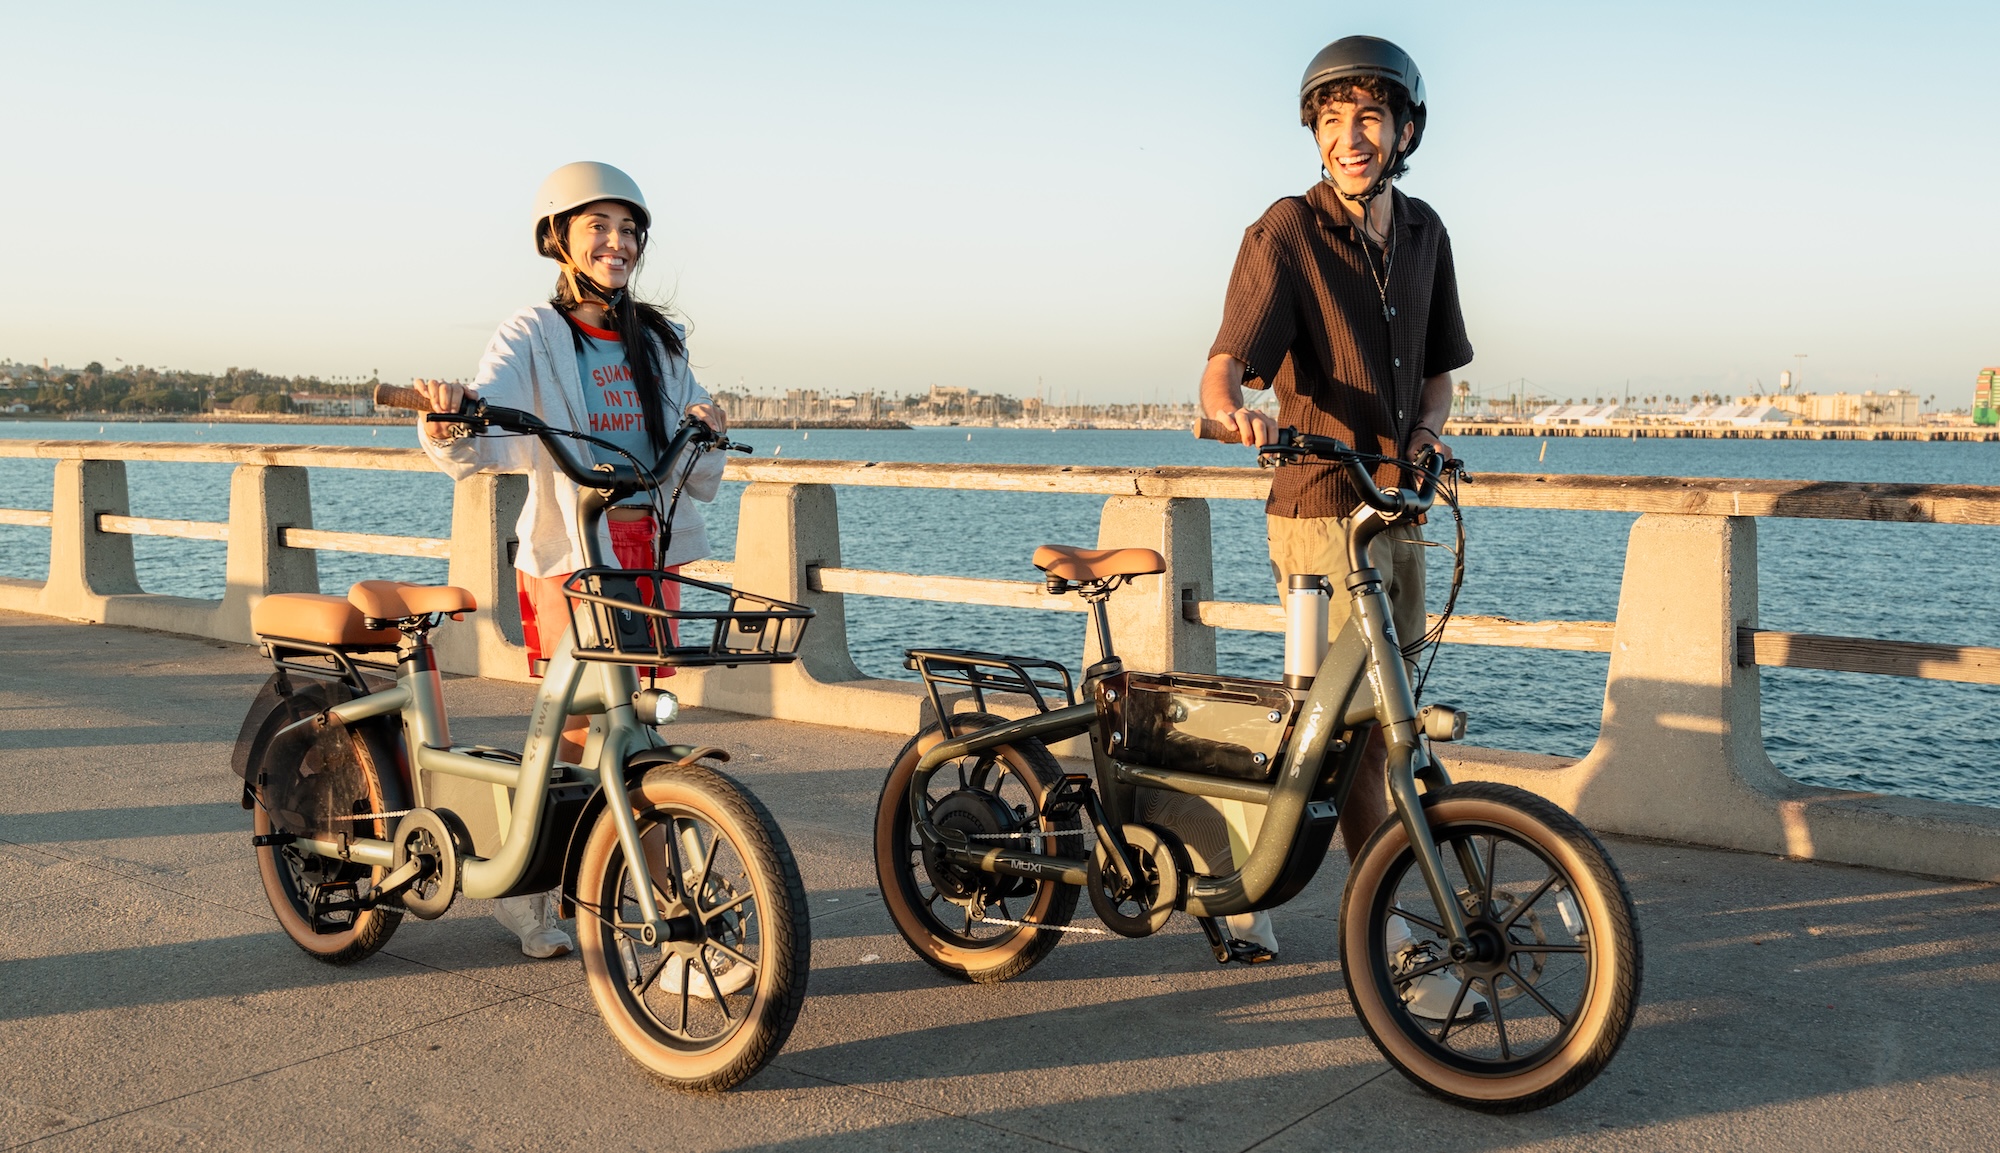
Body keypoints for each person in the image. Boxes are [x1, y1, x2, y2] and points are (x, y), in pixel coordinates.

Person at [1198, 37, 1477, 1014]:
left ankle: (1299, 891)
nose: (1348, 138)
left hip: (1396, 513)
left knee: (1373, 733)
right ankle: (1388, 934)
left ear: (1403, 130)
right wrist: (1227, 401)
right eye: (1330, 121)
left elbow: (1438, 371)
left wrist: (1429, 437)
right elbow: (1226, 358)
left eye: (1367, 118)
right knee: (1336, 732)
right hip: (1319, 513)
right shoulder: (1287, 229)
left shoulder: (1424, 232)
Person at [411, 161, 728, 959]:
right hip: (572, 550)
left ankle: (635, 885)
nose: (617, 244)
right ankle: (530, 887)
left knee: (640, 724)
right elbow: (490, 426)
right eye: (599, 227)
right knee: (581, 722)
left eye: (629, 231)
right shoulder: (533, 333)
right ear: (559, 237)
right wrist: (452, 416)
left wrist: (706, 422)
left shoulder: (658, 339)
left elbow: (696, 467)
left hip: (648, 547)